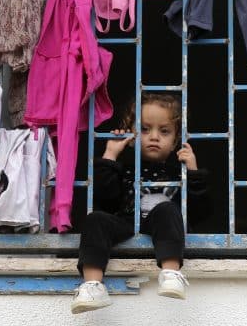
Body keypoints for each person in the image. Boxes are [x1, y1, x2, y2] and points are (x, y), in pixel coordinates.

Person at [71, 92, 210, 314]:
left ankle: (171, 273)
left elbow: (200, 211)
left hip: (163, 227)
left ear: (175, 140)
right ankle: (92, 285)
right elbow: (106, 199)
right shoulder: (124, 168)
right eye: (145, 129)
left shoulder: (179, 171)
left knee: (167, 209)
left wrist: (193, 171)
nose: (154, 136)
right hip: (127, 222)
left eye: (164, 131)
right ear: (132, 135)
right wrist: (110, 156)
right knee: (95, 218)